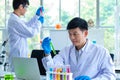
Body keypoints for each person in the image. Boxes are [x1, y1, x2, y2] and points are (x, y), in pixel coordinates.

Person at [41, 17, 116, 80]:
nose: (72, 37)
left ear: (85, 33)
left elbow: (111, 75)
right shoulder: (66, 51)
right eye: (70, 34)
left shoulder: (101, 51)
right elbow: (53, 70)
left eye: (75, 34)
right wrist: (47, 54)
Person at [7, 0, 44, 71]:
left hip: (20, 55)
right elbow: (30, 33)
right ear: (21, 6)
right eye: (26, 7)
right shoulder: (14, 21)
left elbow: (27, 25)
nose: (26, 10)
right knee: (18, 76)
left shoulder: (16, 19)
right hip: (18, 55)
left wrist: (36, 16)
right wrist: (39, 23)